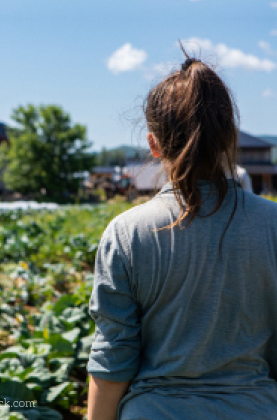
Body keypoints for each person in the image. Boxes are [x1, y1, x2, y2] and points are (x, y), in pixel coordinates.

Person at [86, 50, 277, 420]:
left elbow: (112, 358)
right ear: (229, 139)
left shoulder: (127, 233)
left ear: (154, 144)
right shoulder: (272, 223)